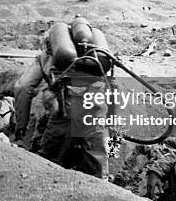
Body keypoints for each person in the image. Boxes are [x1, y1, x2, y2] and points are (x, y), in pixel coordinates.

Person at [14, 16, 112, 179]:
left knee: (48, 166)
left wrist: (20, 128)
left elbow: (23, 88)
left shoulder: (50, 55)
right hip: (96, 105)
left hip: (67, 108)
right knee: (98, 171)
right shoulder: (94, 54)